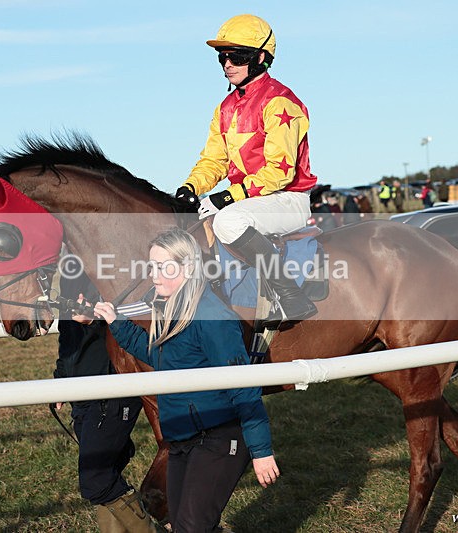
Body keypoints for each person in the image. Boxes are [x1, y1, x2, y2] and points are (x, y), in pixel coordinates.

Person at [93, 228, 279, 533]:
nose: (153, 276)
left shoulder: (212, 317)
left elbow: (243, 387)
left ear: (188, 268)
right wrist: (117, 323)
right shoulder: (172, 309)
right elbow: (160, 357)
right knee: (181, 526)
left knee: (192, 528)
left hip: (218, 437)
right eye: (151, 266)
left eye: (163, 267)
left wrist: (261, 450)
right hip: (182, 437)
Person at [174, 14, 317, 324]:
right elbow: (214, 160)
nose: (228, 64)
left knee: (228, 220)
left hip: (287, 198)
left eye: (237, 56)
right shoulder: (225, 108)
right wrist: (190, 187)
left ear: (261, 58)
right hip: (250, 200)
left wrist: (227, 196)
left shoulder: (280, 102)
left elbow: (279, 172)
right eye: (222, 57)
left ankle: (291, 296)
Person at [54, 270, 155, 533]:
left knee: (96, 481)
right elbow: (66, 343)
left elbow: (125, 338)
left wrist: (94, 323)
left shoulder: (112, 289)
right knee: (104, 476)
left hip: (112, 395)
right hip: (82, 399)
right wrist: (59, 380)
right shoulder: (69, 290)